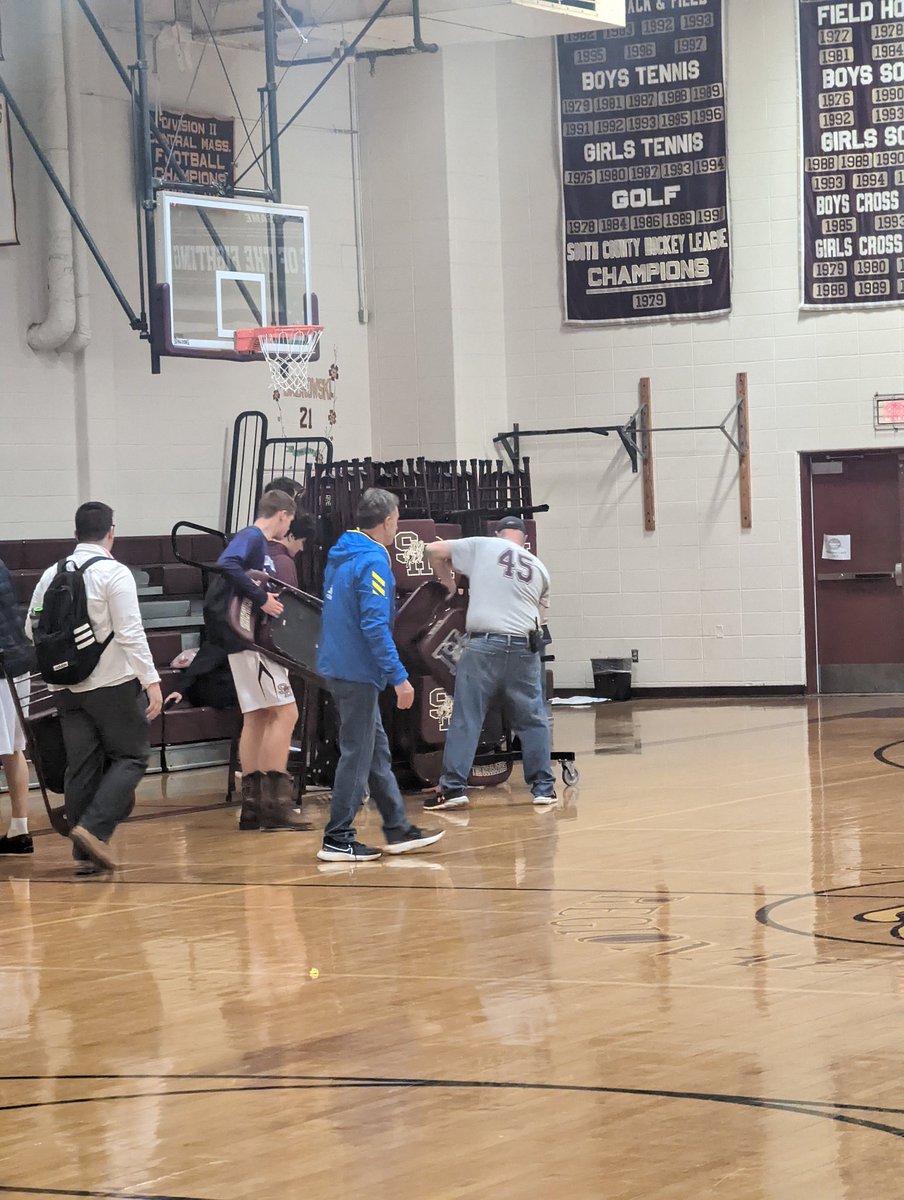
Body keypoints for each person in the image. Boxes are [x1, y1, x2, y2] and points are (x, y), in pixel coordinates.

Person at [26, 502, 163, 874]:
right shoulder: (114, 574)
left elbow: (31, 628)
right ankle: (94, 830)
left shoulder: (51, 573)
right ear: (111, 531)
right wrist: (151, 680)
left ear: (75, 534)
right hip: (110, 684)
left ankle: (84, 858)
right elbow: (131, 632)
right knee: (132, 756)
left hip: (63, 685)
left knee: (82, 765)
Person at [316, 487, 444, 861]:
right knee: (357, 754)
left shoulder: (341, 554)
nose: (398, 524)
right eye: (398, 517)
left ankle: (397, 828)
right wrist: (399, 676)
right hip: (356, 670)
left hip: (340, 665)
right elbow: (374, 625)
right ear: (388, 521)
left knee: (375, 752)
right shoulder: (373, 560)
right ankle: (338, 837)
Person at [425, 515, 556, 809]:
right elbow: (541, 617)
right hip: (524, 647)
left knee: (467, 717)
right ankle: (543, 788)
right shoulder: (540, 568)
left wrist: (447, 583)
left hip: (484, 644)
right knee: (532, 718)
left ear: (497, 534)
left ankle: (453, 789)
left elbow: (432, 550)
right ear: (525, 540)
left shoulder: (484, 546)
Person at [216, 489, 309, 832]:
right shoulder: (253, 535)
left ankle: (252, 807)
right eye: (290, 521)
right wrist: (261, 597)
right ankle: (276, 805)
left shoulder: (256, 541)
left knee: (255, 717)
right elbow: (226, 564)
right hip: (255, 643)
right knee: (287, 713)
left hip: (243, 642)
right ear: (284, 515)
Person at [0, 557, 35, 855]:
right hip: (17, 661)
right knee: (13, 748)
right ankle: (19, 828)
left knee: (11, 748)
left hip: (1, 667)